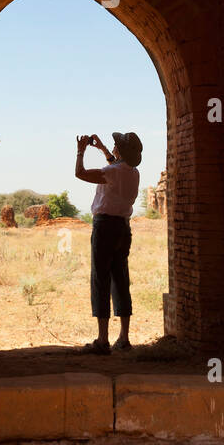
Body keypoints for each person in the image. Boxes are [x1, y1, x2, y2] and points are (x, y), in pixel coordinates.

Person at [74, 130, 143, 354]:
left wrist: (80, 151)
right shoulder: (134, 172)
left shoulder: (111, 172)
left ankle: (102, 340)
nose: (113, 148)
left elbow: (80, 174)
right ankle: (124, 337)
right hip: (123, 228)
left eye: (115, 146)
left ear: (119, 151)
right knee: (120, 279)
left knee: (100, 279)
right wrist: (103, 149)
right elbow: (118, 166)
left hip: (105, 227)